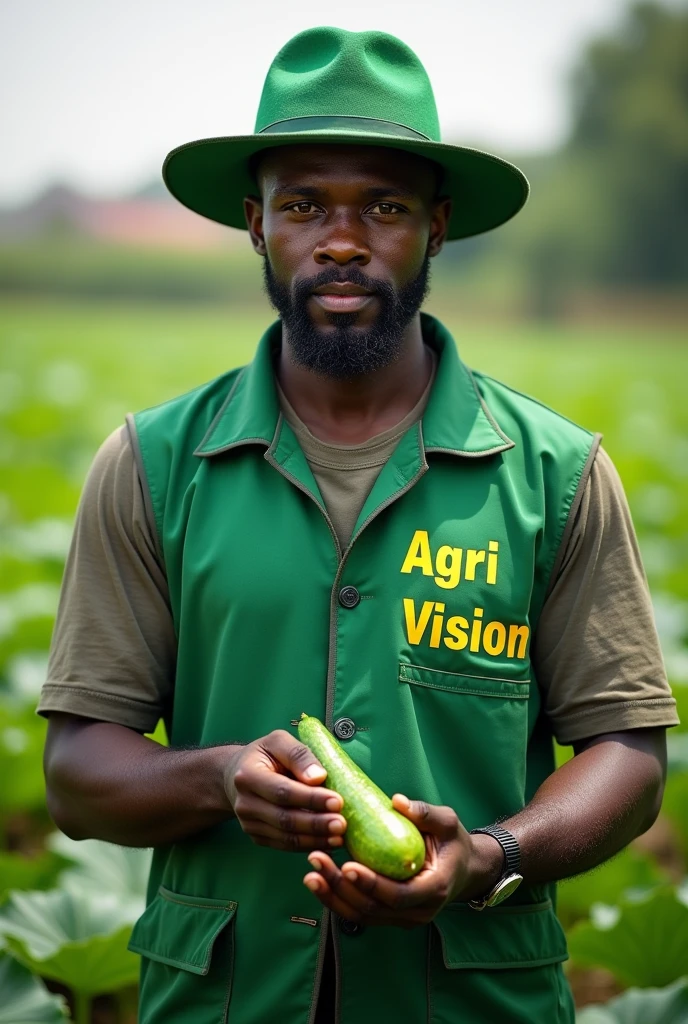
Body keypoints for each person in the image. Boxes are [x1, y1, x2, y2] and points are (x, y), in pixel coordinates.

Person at [38, 26, 678, 1024]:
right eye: (302, 205)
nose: (341, 239)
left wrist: (490, 856)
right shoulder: (152, 466)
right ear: (254, 225)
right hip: (222, 1001)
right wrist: (216, 777)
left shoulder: (554, 473)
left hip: (475, 1003)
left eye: (383, 205)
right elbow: (77, 773)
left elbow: (629, 757)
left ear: (438, 224)